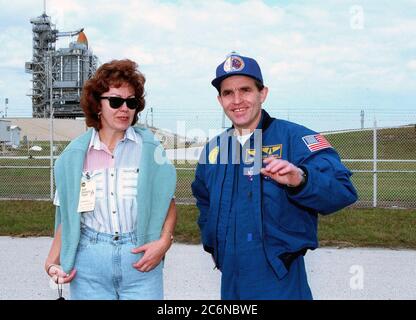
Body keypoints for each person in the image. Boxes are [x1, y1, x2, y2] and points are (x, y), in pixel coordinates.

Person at [191, 53, 358, 300]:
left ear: (263, 93)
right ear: (220, 99)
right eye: (228, 93)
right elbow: (203, 199)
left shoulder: (295, 138)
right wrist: (215, 246)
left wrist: (301, 180)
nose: (237, 100)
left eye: (245, 90)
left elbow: (344, 190)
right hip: (231, 279)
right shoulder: (216, 149)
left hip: (280, 279)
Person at [44, 59, 177, 300]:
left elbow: (166, 201)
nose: (124, 109)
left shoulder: (150, 150)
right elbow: (67, 216)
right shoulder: (73, 157)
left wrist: (164, 242)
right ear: (97, 105)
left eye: (131, 102)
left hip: (141, 264)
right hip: (89, 268)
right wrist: (52, 263)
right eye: (115, 101)